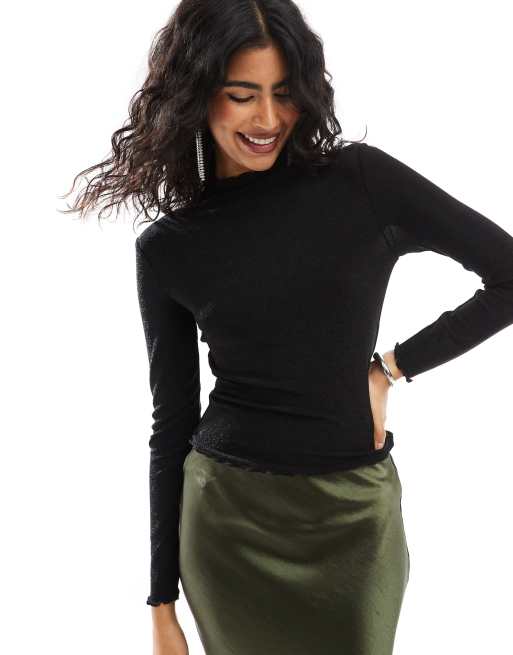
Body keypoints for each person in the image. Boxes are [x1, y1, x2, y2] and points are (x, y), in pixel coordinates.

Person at [61, 1, 513, 653]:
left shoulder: (361, 182)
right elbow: (171, 422)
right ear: (196, 96)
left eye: (284, 93)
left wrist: (390, 368)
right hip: (226, 523)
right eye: (242, 95)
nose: (268, 119)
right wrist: (161, 602)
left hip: (353, 519)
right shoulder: (169, 246)